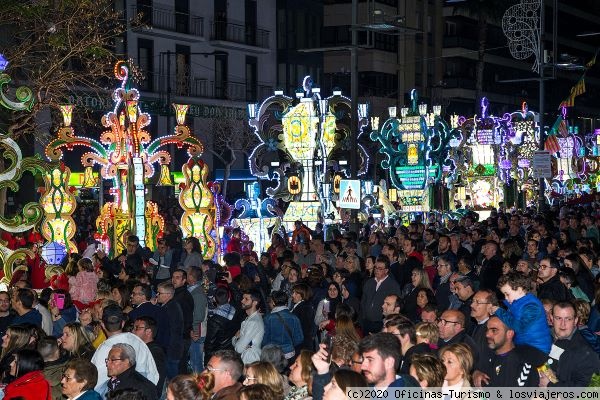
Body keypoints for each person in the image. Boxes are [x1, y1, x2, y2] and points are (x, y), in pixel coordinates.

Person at [90, 304, 159, 391]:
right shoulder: (137, 341)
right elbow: (153, 375)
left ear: (103, 325)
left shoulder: (103, 350)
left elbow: (96, 385)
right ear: (122, 323)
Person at [493, 272, 551, 366]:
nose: (506, 298)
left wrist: (499, 311)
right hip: (524, 344)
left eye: (507, 294)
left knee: (508, 361)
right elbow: (515, 308)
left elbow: (518, 327)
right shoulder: (519, 302)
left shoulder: (532, 306)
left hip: (537, 349)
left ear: (519, 289)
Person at [539, 301, 600, 387]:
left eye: (568, 319)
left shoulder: (586, 351)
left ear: (575, 320)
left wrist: (550, 385)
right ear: (551, 318)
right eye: (558, 318)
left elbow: (583, 388)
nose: (563, 324)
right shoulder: (541, 337)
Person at [473, 316, 539, 387]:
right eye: (487, 330)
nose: (487, 334)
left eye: (494, 330)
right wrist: (475, 373)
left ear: (509, 334)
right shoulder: (490, 356)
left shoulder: (521, 363)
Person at [360, 256, 401, 335]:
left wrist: (386, 321)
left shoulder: (393, 285)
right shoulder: (369, 282)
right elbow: (363, 301)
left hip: (381, 324)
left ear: (386, 270)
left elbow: (396, 305)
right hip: (367, 322)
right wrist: (363, 318)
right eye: (375, 268)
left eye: (380, 268)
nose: (376, 270)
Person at [262, 291, 304, 361]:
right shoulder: (294, 317)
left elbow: (264, 339)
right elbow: (299, 338)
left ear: (273, 302)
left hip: (273, 354)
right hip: (289, 354)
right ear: (286, 302)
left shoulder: (268, 318)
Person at [133, 316, 167, 398]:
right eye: (133, 327)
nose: (133, 331)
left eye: (137, 328)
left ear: (148, 332)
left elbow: (157, 380)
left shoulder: (154, 352)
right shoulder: (143, 348)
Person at [156, 282, 184, 378]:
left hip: (170, 350)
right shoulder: (171, 305)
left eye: (160, 293)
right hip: (172, 349)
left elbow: (170, 331)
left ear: (168, 295)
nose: (157, 295)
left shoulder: (169, 308)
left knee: (172, 379)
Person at [233, 290, 264, 364]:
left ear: (255, 302)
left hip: (250, 362)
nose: (242, 301)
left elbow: (239, 348)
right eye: (243, 298)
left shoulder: (253, 322)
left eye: (246, 299)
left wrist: (236, 338)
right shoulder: (250, 318)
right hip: (247, 360)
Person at [187, 266, 208, 373]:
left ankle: (200, 387)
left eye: (188, 273)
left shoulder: (198, 293)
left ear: (192, 277)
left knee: (196, 363)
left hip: (197, 332)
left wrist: (192, 330)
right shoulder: (193, 290)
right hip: (194, 330)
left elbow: (198, 316)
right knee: (194, 361)